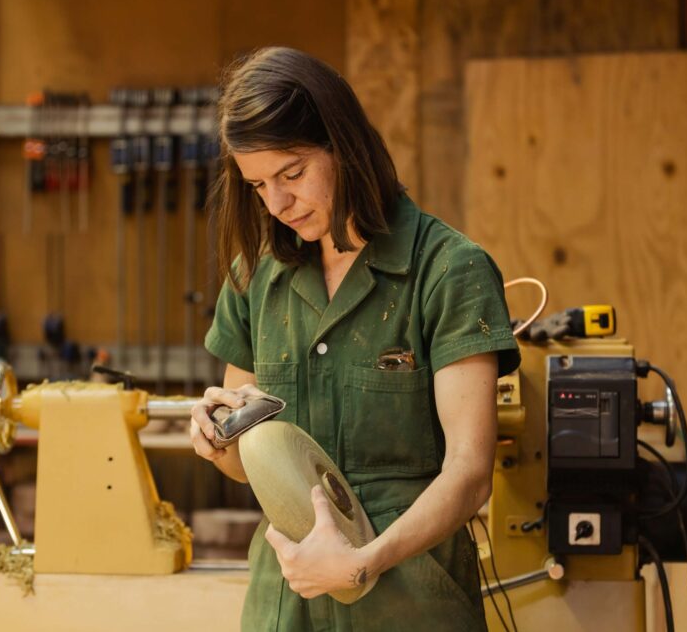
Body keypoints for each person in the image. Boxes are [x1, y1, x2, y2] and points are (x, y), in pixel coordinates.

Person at [189, 46, 521, 631]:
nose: (277, 203)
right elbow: (248, 465)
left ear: (344, 145)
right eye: (258, 184)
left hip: (409, 602)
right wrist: (219, 441)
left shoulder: (448, 270)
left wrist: (363, 563)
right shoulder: (254, 278)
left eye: (293, 174)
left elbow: (470, 474)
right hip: (287, 601)